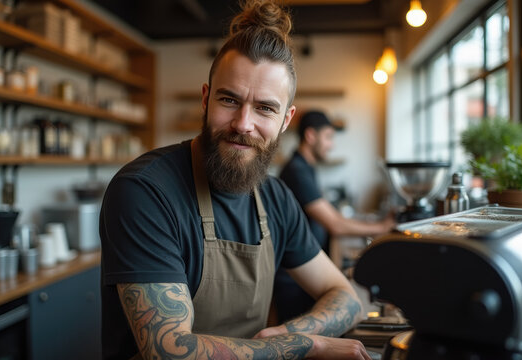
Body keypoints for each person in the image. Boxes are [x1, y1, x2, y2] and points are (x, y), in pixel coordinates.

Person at [99, 1, 372, 359]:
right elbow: (169, 352)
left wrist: (289, 334)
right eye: (230, 100)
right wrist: (305, 345)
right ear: (206, 99)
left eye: (265, 108)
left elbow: (345, 296)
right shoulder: (144, 192)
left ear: (286, 120)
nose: (244, 123)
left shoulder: (276, 197)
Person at [275, 110, 396, 322]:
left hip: (302, 268)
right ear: (311, 136)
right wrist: (382, 227)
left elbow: (332, 217)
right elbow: (335, 225)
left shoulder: (305, 167)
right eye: (328, 137)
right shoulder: (297, 170)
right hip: (294, 277)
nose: (331, 145)